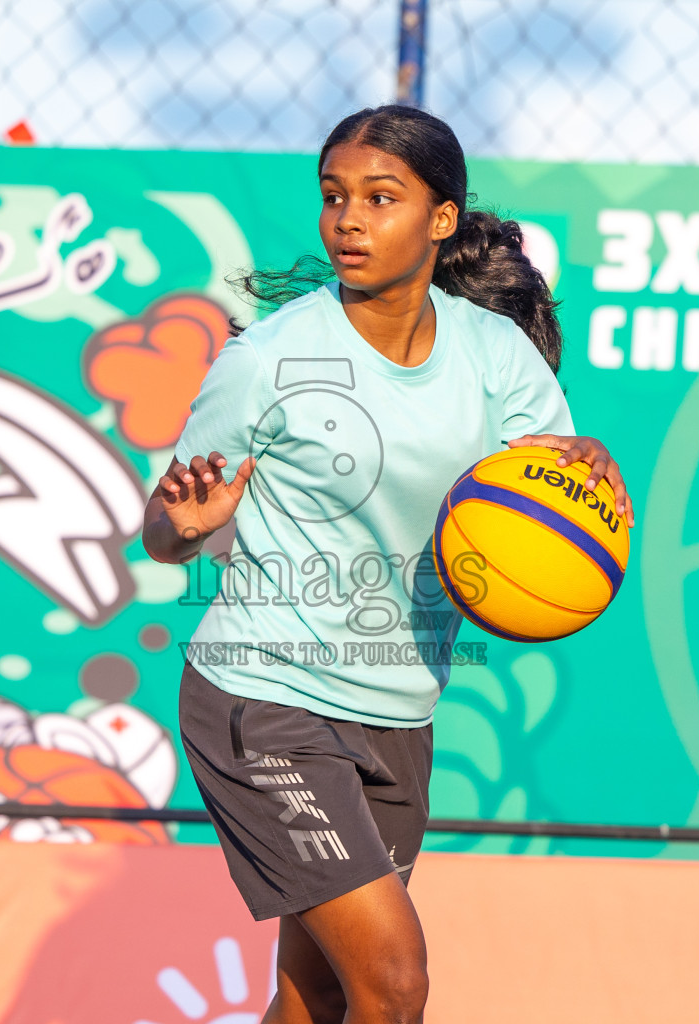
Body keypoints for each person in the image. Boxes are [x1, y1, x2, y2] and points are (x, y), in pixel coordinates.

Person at [142, 104, 632, 1024]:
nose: (349, 220)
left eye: (380, 196)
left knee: (317, 993)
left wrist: (591, 470)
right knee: (394, 982)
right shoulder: (269, 358)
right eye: (333, 199)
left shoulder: (497, 357)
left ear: (441, 217)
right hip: (262, 696)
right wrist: (184, 524)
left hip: (399, 710)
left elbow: (555, 502)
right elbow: (163, 535)